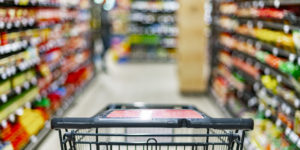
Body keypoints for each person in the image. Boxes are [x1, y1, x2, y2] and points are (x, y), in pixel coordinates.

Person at [100, 1, 112, 72]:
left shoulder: (105, 10)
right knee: (105, 47)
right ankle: (102, 62)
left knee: (106, 47)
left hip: (106, 32)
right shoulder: (101, 11)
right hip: (104, 33)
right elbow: (105, 21)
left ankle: (103, 62)